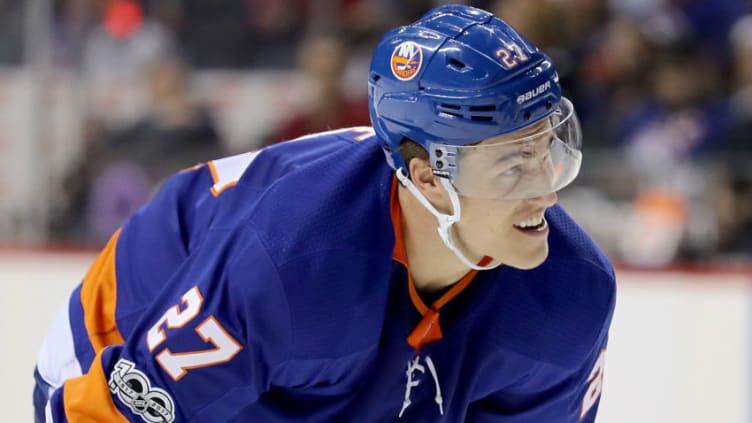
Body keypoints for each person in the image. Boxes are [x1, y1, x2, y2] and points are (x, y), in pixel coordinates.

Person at [34, 5, 615, 422]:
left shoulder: (572, 291)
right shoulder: (289, 259)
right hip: (119, 341)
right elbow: (105, 414)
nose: (547, 191)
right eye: (513, 165)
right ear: (428, 180)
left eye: (550, 149)